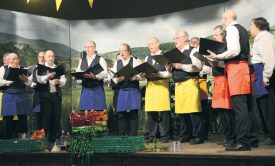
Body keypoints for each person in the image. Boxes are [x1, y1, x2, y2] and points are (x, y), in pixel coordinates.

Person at [207, 10, 257, 151]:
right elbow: (248, 53)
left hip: (236, 68)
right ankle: (249, 139)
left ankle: (243, 141)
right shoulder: (242, 30)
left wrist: (218, 56)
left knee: (239, 107)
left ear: (225, 18)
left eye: (223, 18)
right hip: (242, 68)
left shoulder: (231, 28)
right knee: (245, 107)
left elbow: (234, 50)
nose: (222, 21)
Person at [169, 30, 204, 144]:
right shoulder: (174, 53)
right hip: (178, 84)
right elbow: (171, 69)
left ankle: (198, 136)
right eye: (174, 38)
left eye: (177, 38)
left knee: (193, 110)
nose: (175, 41)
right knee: (181, 111)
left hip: (190, 82)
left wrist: (182, 66)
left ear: (185, 38)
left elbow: (198, 67)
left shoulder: (193, 50)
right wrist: (169, 67)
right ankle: (185, 135)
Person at [249, 17, 275, 145]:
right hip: (258, 72)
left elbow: (269, 59)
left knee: (267, 105)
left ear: (258, 27)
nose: (250, 28)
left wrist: (266, 77)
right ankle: (268, 133)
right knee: (262, 105)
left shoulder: (265, 38)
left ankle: (272, 135)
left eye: (251, 26)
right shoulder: (259, 39)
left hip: (263, 73)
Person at [110, 43, 142, 136]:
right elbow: (113, 77)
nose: (122, 53)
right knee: (121, 114)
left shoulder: (135, 61)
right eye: (120, 51)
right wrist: (118, 79)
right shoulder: (117, 62)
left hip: (133, 89)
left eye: (124, 51)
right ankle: (122, 136)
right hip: (122, 90)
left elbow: (142, 75)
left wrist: (135, 77)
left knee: (133, 114)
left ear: (129, 51)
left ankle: (133, 135)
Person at [144, 37, 171, 143]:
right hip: (150, 86)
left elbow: (169, 74)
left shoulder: (165, 56)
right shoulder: (147, 58)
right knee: (151, 112)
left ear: (158, 44)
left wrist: (159, 74)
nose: (150, 46)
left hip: (162, 85)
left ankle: (165, 135)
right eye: (148, 44)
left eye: (152, 43)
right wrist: (142, 74)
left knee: (164, 112)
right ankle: (152, 135)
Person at [211, 25, 235, 147]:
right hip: (217, 80)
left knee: (227, 110)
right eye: (214, 35)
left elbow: (229, 65)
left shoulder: (227, 47)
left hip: (225, 79)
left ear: (223, 35)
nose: (215, 37)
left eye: (217, 34)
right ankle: (227, 136)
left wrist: (217, 62)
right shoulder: (215, 48)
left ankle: (232, 137)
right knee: (221, 110)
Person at [36, 50, 67, 142]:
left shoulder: (58, 68)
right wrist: (47, 77)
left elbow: (64, 81)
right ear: (45, 57)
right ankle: (46, 141)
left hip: (56, 96)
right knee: (46, 119)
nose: (51, 58)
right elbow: (39, 79)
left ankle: (56, 139)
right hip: (45, 97)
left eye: (53, 56)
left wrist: (59, 82)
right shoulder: (41, 68)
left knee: (56, 118)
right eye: (49, 56)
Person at [0, 53, 32, 139]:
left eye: (17, 59)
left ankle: (23, 142)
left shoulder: (23, 69)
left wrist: (26, 80)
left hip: (21, 96)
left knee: (23, 118)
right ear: (9, 60)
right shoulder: (3, 68)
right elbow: (0, 82)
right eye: (13, 59)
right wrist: (10, 81)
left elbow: (30, 84)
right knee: (7, 119)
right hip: (8, 95)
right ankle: (6, 142)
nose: (15, 61)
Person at [76, 41, 108, 112]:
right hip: (85, 91)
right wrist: (77, 77)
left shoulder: (100, 59)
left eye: (90, 47)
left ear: (94, 48)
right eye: (86, 47)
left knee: (99, 117)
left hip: (97, 90)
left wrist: (95, 76)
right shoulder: (82, 60)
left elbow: (106, 73)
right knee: (85, 117)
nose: (87, 49)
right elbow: (78, 72)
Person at [190, 37, 212, 140]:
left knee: (203, 108)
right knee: (194, 108)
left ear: (199, 43)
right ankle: (195, 132)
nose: (193, 43)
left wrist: (200, 70)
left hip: (201, 82)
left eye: (195, 42)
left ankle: (205, 133)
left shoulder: (203, 53)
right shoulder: (189, 53)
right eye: (191, 42)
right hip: (190, 82)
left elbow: (209, 68)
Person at [31, 51, 45, 130]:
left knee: (46, 118)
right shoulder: (34, 68)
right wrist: (33, 85)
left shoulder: (49, 68)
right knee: (37, 118)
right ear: (38, 58)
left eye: (43, 57)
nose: (42, 58)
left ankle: (47, 138)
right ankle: (37, 138)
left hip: (47, 96)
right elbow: (32, 82)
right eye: (40, 57)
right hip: (37, 96)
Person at [0, 53, 10, 139]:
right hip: (2, 94)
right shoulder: (2, 69)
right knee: (3, 118)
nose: (11, 60)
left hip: (10, 96)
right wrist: (9, 82)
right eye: (9, 58)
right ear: (4, 60)